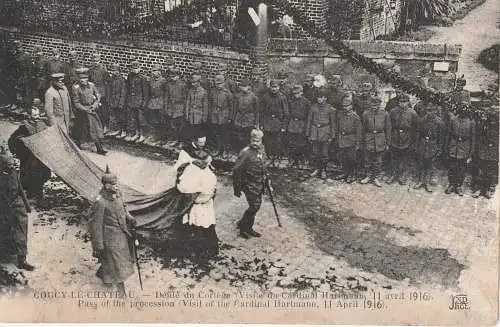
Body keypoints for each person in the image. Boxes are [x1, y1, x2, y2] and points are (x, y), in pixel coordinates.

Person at [88, 165, 136, 295]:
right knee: (118, 262)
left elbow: (123, 206)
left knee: (112, 260)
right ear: (106, 185)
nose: (116, 186)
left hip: (122, 233)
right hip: (109, 238)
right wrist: (98, 245)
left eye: (116, 183)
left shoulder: (118, 193)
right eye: (113, 184)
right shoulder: (100, 202)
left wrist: (128, 216)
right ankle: (121, 291)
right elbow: (95, 225)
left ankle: (104, 275)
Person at [174, 132, 219, 257]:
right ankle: (202, 249)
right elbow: (182, 181)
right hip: (198, 202)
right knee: (200, 225)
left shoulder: (207, 172)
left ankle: (205, 248)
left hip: (202, 202)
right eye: (200, 142)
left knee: (203, 225)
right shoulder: (189, 162)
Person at [8, 99, 51, 206]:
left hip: (41, 158)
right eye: (33, 109)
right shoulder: (24, 126)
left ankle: (38, 196)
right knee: (29, 175)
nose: (36, 112)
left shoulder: (43, 125)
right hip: (29, 159)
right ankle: (30, 196)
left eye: (38, 109)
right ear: (30, 112)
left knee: (41, 176)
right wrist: (22, 144)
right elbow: (12, 141)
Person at [0, 145, 34, 270]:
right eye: (8, 166)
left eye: (12, 165)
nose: (11, 167)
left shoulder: (13, 172)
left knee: (21, 229)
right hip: (3, 205)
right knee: (6, 229)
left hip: (17, 203)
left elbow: (19, 188)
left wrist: (26, 205)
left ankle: (22, 259)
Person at [232, 129, 268, 239]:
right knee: (254, 206)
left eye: (257, 141)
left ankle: (244, 224)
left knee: (255, 206)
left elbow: (263, 163)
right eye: (253, 140)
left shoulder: (262, 149)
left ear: (261, 141)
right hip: (249, 184)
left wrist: (266, 179)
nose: (255, 143)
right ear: (250, 139)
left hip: (259, 183)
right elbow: (236, 171)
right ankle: (245, 229)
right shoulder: (245, 153)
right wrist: (237, 187)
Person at [71, 68, 107, 155]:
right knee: (81, 129)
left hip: (92, 109)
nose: (83, 80)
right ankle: (78, 145)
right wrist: (85, 109)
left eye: (85, 78)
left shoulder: (92, 85)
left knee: (95, 128)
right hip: (82, 111)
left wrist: (94, 106)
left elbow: (98, 96)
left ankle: (99, 147)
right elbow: (76, 102)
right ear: (78, 79)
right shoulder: (76, 88)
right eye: (81, 79)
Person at [444, 106, 476, 196]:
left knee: (462, 168)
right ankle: (451, 184)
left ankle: (459, 186)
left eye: (465, 110)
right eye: (461, 110)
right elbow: (448, 135)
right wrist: (446, 148)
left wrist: (471, 153)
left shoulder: (471, 122)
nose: (463, 112)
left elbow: (473, 138)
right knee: (452, 167)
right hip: (453, 147)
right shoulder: (453, 120)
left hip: (464, 148)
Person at [414, 103, 445, 192]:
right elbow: (418, 134)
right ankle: (420, 181)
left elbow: (441, 138)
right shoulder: (422, 120)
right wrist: (417, 145)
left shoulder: (439, 123)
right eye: (428, 110)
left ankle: (427, 183)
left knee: (430, 164)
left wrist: (439, 149)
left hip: (433, 145)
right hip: (423, 144)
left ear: (436, 111)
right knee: (421, 164)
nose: (429, 113)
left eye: (431, 110)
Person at [388, 93, 418, 185]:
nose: (402, 104)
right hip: (395, 136)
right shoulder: (393, 111)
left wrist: (412, 141)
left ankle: (402, 175)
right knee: (394, 157)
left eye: (404, 102)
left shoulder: (412, 113)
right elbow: (389, 126)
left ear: (408, 102)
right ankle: (394, 174)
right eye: (401, 102)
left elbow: (415, 128)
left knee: (404, 158)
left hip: (406, 136)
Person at [360, 97, 391, 187]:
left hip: (380, 138)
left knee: (378, 160)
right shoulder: (365, 114)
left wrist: (388, 143)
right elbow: (363, 128)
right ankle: (368, 176)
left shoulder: (385, 114)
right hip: (369, 138)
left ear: (379, 105)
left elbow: (388, 129)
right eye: (372, 105)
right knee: (367, 159)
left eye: (376, 105)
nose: (374, 107)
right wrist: (362, 140)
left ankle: (376, 177)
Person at [306, 89, 335, 179]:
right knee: (315, 152)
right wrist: (308, 133)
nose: (319, 99)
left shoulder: (330, 109)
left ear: (325, 98)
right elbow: (309, 121)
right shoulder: (313, 107)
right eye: (318, 97)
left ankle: (323, 170)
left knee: (324, 153)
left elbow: (333, 123)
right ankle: (317, 168)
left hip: (325, 131)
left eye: (321, 97)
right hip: (314, 131)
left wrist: (332, 135)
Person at [260, 80, 289, 166]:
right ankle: (269, 157)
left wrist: (283, 126)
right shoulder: (265, 97)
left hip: (278, 123)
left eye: (275, 87)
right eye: (272, 87)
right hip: (267, 122)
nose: (274, 89)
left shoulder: (282, 97)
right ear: (270, 87)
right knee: (268, 141)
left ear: (279, 87)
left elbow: (286, 114)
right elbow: (262, 111)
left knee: (277, 142)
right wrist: (262, 124)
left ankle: (277, 157)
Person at [335, 91, 362, 183]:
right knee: (343, 157)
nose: (345, 108)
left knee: (352, 158)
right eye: (343, 106)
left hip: (351, 139)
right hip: (342, 138)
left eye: (347, 106)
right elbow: (337, 127)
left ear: (351, 106)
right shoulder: (340, 115)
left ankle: (352, 174)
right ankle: (344, 172)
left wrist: (358, 143)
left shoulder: (355, 117)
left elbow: (359, 131)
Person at [472, 108, 498, 198]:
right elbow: (479, 136)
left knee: (489, 173)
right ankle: (479, 189)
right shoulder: (483, 125)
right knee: (481, 171)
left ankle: (486, 190)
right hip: (483, 151)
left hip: (492, 153)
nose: (492, 121)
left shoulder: (497, 126)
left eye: (493, 119)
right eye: (490, 118)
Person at [208, 74, 233, 157]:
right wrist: (211, 113)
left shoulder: (228, 93)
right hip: (214, 115)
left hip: (224, 116)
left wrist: (229, 117)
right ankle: (218, 148)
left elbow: (231, 106)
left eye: (220, 83)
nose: (218, 85)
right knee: (216, 133)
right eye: (216, 83)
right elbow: (210, 103)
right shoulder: (212, 91)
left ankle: (226, 149)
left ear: (224, 83)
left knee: (225, 133)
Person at [287, 85, 311, 168]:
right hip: (293, 123)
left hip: (302, 124)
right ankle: (294, 160)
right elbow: (288, 113)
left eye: (297, 93)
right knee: (292, 143)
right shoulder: (291, 101)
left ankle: (301, 159)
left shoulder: (306, 102)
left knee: (302, 143)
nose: (295, 95)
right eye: (294, 93)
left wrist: (306, 127)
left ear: (301, 93)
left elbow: (308, 116)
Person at [232, 78, 259, 152]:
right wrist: (233, 118)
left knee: (248, 136)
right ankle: (239, 149)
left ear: (249, 87)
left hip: (249, 118)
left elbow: (256, 111)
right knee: (239, 135)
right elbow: (235, 108)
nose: (243, 88)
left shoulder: (254, 97)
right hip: (239, 117)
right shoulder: (237, 96)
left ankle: (247, 150)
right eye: (242, 86)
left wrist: (256, 123)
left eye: (245, 86)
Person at [125, 60, 148, 143]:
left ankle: (142, 135)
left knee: (141, 120)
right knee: (133, 118)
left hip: (139, 102)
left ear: (139, 68)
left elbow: (145, 92)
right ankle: (136, 134)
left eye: (136, 68)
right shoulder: (130, 76)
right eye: (133, 68)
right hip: (131, 101)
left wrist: (143, 103)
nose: (135, 70)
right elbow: (128, 88)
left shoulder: (142, 78)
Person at [145, 63, 167, 145]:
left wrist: (164, 103)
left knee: (161, 121)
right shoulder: (151, 80)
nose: (153, 72)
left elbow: (165, 93)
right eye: (153, 71)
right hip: (152, 103)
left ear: (159, 72)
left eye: (155, 71)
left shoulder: (163, 81)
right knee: (153, 120)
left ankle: (162, 138)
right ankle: (155, 136)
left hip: (160, 103)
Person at [88, 53, 111, 135]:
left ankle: (105, 126)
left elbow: (107, 81)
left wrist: (103, 92)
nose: (95, 62)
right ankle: (96, 126)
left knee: (103, 110)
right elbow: (90, 81)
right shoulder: (90, 69)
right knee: (95, 110)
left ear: (100, 61)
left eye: (97, 61)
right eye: (94, 61)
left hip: (102, 92)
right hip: (93, 91)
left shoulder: (103, 70)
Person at [165, 67, 187, 147]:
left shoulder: (182, 85)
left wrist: (184, 109)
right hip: (171, 107)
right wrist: (167, 107)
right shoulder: (169, 84)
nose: (173, 78)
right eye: (171, 76)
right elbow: (166, 96)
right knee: (172, 126)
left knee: (180, 126)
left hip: (180, 107)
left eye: (174, 76)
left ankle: (181, 141)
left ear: (178, 76)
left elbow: (185, 98)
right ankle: (174, 139)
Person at [185, 74, 209, 141]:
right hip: (191, 115)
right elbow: (188, 103)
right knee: (192, 130)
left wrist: (204, 118)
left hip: (199, 115)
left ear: (199, 82)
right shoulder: (190, 91)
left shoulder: (204, 92)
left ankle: (199, 146)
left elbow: (205, 106)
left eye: (194, 82)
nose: (192, 84)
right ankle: (193, 144)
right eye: (192, 82)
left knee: (199, 132)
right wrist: (187, 114)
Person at [106, 63, 127, 137]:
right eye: (112, 70)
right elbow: (109, 90)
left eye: (114, 70)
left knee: (121, 117)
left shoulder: (122, 80)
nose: (113, 72)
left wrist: (121, 103)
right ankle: (118, 130)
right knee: (115, 116)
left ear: (118, 71)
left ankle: (123, 131)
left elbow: (123, 92)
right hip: (113, 101)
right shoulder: (111, 79)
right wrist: (108, 99)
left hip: (119, 101)